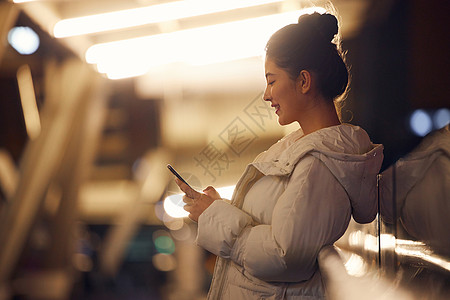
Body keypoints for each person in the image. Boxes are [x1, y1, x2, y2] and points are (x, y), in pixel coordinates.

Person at [175, 11, 384, 300]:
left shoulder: (319, 164)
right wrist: (218, 207)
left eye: (272, 81)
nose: (266, 94)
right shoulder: (304, 152)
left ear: (304, 82)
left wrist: (214, 216)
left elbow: (284, 256)